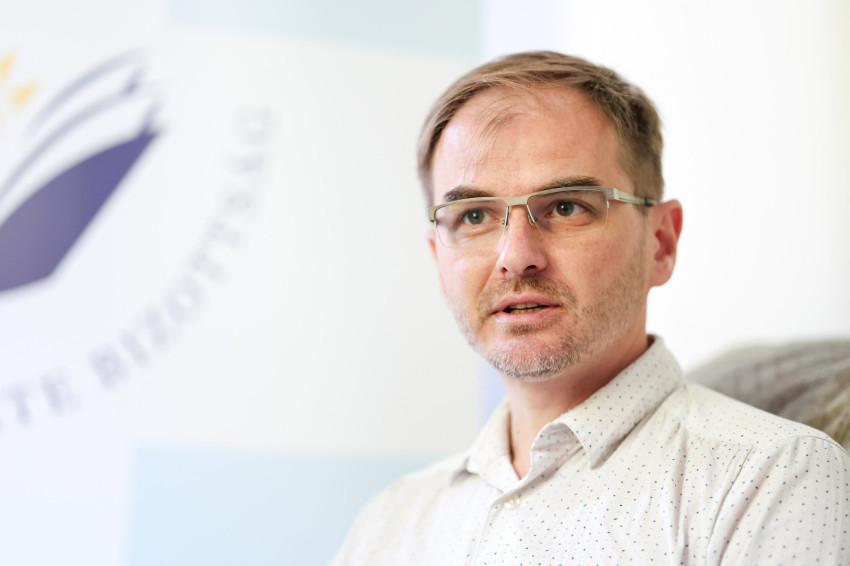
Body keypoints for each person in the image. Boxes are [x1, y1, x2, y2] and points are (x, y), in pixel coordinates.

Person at [332, 51, 850, 565]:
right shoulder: (388, 524)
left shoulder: (774, 479)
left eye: (566, 207)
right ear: (438, 258)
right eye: (473, 216)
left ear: (660, 243)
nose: (515, 257)